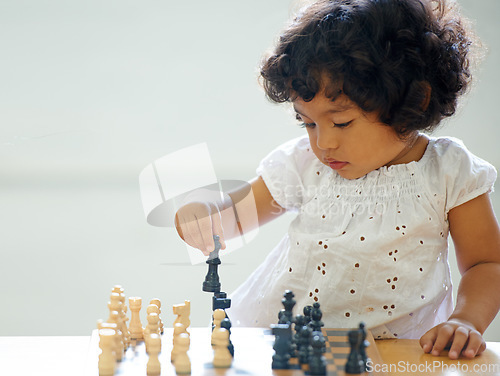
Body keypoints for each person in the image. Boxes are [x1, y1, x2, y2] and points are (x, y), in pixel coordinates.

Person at [175, 0, 500, 360]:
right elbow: (237, 216)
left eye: (341, 122)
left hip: (394, 353)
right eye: (308, 123)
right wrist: (205, 215)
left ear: (414, 102)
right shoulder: (304, 163)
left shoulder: (449, 171)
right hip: (289, 344)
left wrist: (467, 320)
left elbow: (486, 264)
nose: (323, 143)